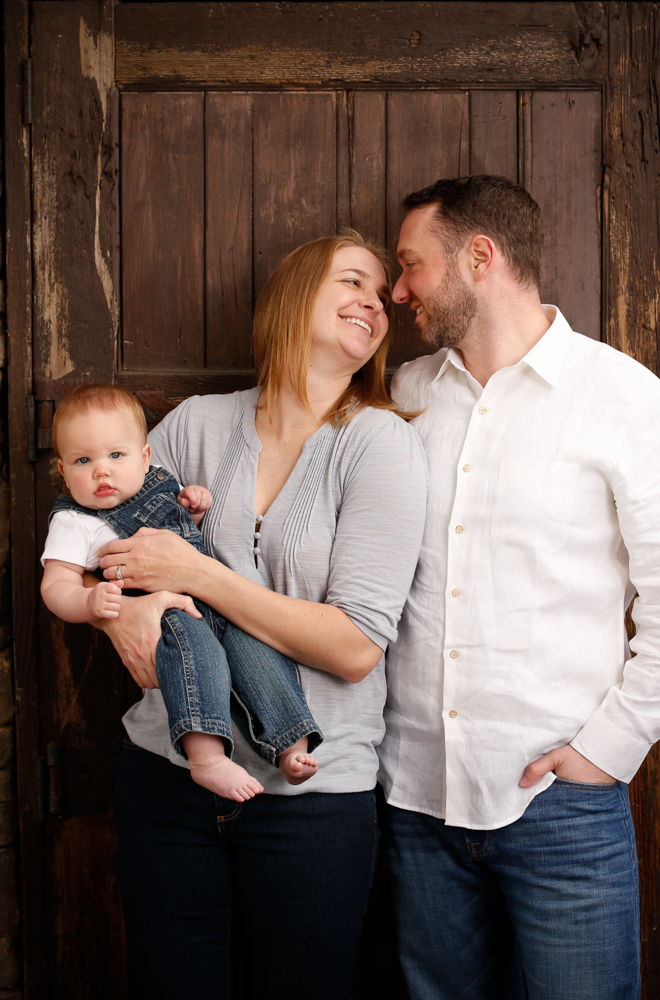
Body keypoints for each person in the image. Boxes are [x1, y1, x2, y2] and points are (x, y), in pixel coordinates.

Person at [378, 175, 660, 1000]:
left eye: (411, 265)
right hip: (415, 801)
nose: (396, 292)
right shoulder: (404, 400)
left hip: (560, 807)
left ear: (479, 257)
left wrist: (607, 752)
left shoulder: (624, 397)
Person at [89, 231, 428, 1000]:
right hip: (166, 774)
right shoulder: (194, 426)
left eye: (381, 294)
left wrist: (195, 574)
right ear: (293, 296)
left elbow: (353, 648)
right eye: (351, 281)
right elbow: (102, 553)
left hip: (311, 797)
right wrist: (120, 617)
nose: (375, 303)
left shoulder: (382, 446)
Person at [40, 383, 323, 802]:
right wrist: (87, 602)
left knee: (257, 650)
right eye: (84, 460)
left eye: (116, 456)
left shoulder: (155, 485)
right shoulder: (74, 521)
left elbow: (180, 527)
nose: (102, 471)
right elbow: (55, 585)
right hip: (167, 613)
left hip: (215, 598)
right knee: (195, 660)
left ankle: (291, 743)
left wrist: (191, 506)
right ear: (63, 471)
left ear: (144, 456)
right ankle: (206, 756)